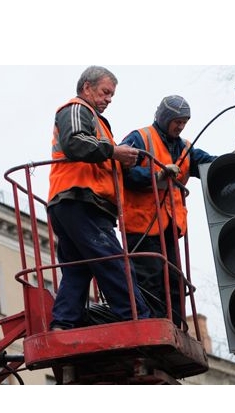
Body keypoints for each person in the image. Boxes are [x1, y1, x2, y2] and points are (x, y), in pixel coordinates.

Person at [47, 66, 151, 331]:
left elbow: (97, 155)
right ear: (87, 88)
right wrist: (115, 152)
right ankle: (136, 317)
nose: (108, 99)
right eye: (105, 92)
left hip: (75, 201)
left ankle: (64, 322)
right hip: (81, 199)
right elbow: (75, 143)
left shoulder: (96, 120)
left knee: (78, 268)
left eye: (111, 96)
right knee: (111, 259)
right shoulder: (75, 109)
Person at [120, 95, 218, 327]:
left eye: (185, 121)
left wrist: (232, 159)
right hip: (141, 227)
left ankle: (173, 328)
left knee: (174, 282)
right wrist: (157, 177)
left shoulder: (184, 148)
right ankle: (153, 327)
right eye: (177, 120)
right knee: (149, 280)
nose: (181, 125)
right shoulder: (140, 138)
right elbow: (121, 172)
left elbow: (206, 163)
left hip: (169, 228)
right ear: (165, 118)